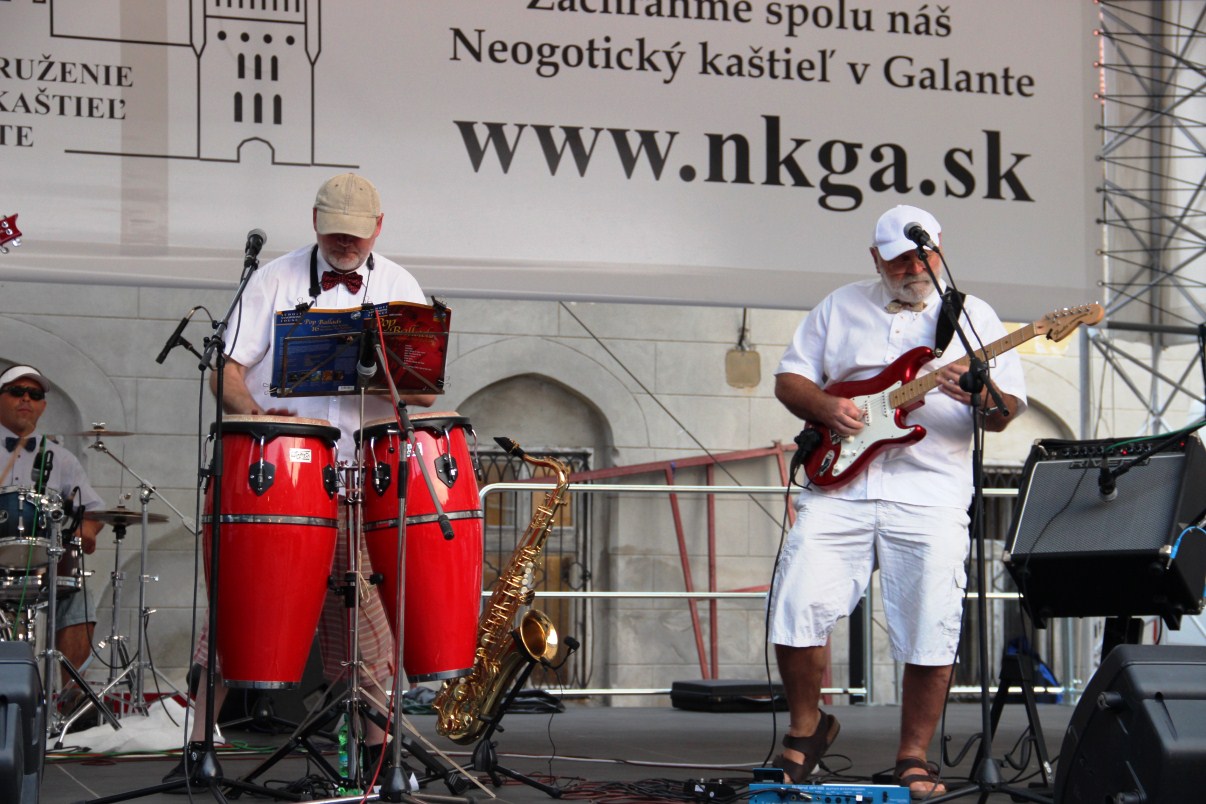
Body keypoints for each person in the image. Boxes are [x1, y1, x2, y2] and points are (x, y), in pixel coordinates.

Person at [167, 173, 435, 783]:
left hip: (360, 479)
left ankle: (378, 761)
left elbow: (424, 393)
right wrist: (257, 417)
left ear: (378, 229)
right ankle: (197, 749)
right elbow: (224, 370)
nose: (345, 244)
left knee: (367, 624)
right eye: (336, 232)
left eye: (356, 235)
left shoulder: (400, 286)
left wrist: (371, 368)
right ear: (315, 221)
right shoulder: (273, 279)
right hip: (279, 473)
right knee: (241, 610)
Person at [769, 205, 1027, 799]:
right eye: (900, 260)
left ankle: (914, 756)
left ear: (940, 250)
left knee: (931, 622)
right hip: (841, 484)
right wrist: (827, 407)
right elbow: (790, 379)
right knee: (796, 601)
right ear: (876, 259)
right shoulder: (840, 305)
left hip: (931, 490)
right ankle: (807, 730)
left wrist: (978, 391)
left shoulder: (975, 317)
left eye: (923, 256)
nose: (913, 268)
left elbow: (1004, 412)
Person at [0, 365, 106, 704]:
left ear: (43, 406)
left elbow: (92, 511)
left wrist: (86, 531)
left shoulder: (61, 458)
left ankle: (72, 701)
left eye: (34, 395)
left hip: (44, 566)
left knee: (78, 595)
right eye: (16, 392)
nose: (26, 399)